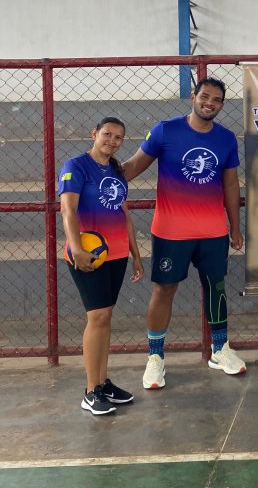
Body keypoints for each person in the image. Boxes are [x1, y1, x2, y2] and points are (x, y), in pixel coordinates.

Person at [121, 77, 245, 389]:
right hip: (171, 231)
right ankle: (155, 358)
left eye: (216, 100)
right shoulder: (165, 130)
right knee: (164, 290)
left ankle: (219, 350)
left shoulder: (227, 139)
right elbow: (134, 166)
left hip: (213, 231)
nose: (210, 103)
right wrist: (96, 173)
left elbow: (230, 184)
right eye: (205, 96)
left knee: (216, 287)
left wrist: (235, 226)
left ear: (221, 105)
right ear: (193, 96)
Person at [59, 117, 143, 415]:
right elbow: (68, 210)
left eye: (119, 137)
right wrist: (77, 248)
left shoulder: (117, 172)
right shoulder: (76, 166)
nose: (112, 140)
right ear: (94, 133)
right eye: (107, 134)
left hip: (116, 253)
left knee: (105, 317)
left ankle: (104, 382)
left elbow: (125, 214)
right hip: (89, 254)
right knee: (97, 317)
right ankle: (90, 390)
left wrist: (135, 253)